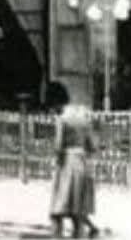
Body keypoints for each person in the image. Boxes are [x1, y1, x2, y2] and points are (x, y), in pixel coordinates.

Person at [47, 83, 98, 239]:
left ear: (55, 102)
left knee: (56, 213)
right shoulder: (84, 116)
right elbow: (92, 146)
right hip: (83, 164)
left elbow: (58, 146)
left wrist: (56, 161)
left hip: (67, 165)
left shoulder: (62, 118)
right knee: (77, 214)